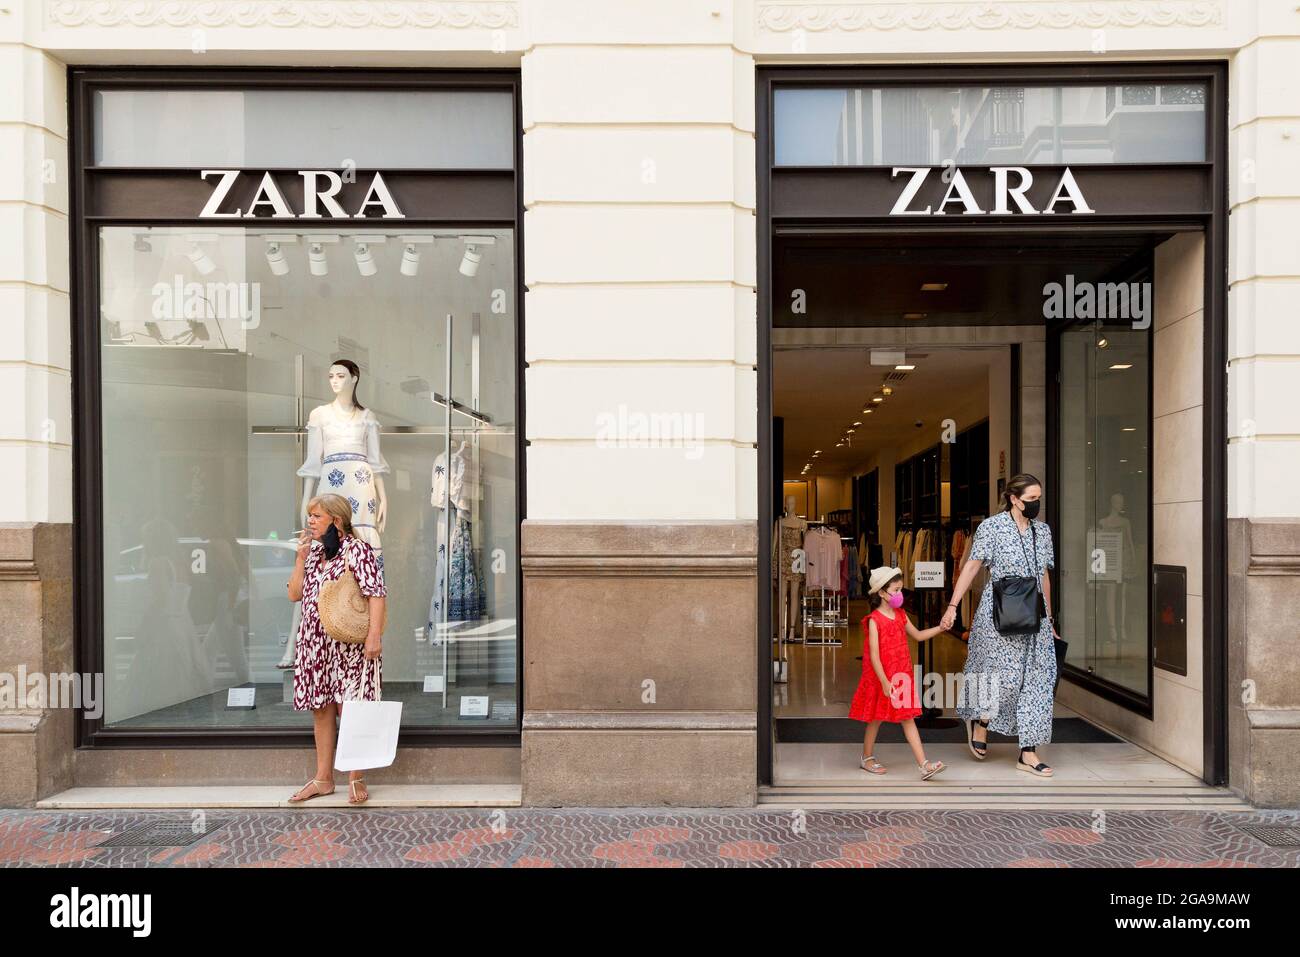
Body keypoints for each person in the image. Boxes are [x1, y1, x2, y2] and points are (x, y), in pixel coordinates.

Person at [941, 473, 1059, 777]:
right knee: (1000, 678)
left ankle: (1028, 753)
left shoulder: (1042, 532)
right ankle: (982, 722)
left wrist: (1051, 617)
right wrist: (953, 606)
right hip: (999, 614)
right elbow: (971, 566)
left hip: (1035, 617)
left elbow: (1044, 575)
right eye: (1031, 499)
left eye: (1038, 498)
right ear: (1014, 499)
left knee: (1038, 681)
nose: (1036, 504)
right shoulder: (991, 528)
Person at [286, 493, 387, 804]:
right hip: (316, 645)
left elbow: (376, 594)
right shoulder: (314, 554)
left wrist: (374, 636)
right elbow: (294, 594)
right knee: (322, 709)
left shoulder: (358, 551)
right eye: (310, 516)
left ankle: (356, 777)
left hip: (349, 647)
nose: (311, 521)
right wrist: (301, 558)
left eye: (317, 516)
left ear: (337, 521)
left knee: (350, 709)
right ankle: (323, 779)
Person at [849, 566, 946, 779]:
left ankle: (924, 764)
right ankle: (867, 758)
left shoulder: (901, 615)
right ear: (882, 593)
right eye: (895, 590)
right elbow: (874, 655)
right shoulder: (874, 620)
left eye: (901, 589)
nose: (899, 594)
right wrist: (884, 681)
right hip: (881, 678)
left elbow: (918, 636)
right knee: (875, 718)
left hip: (901, 676)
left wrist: (940, 628)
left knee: (908, 718)